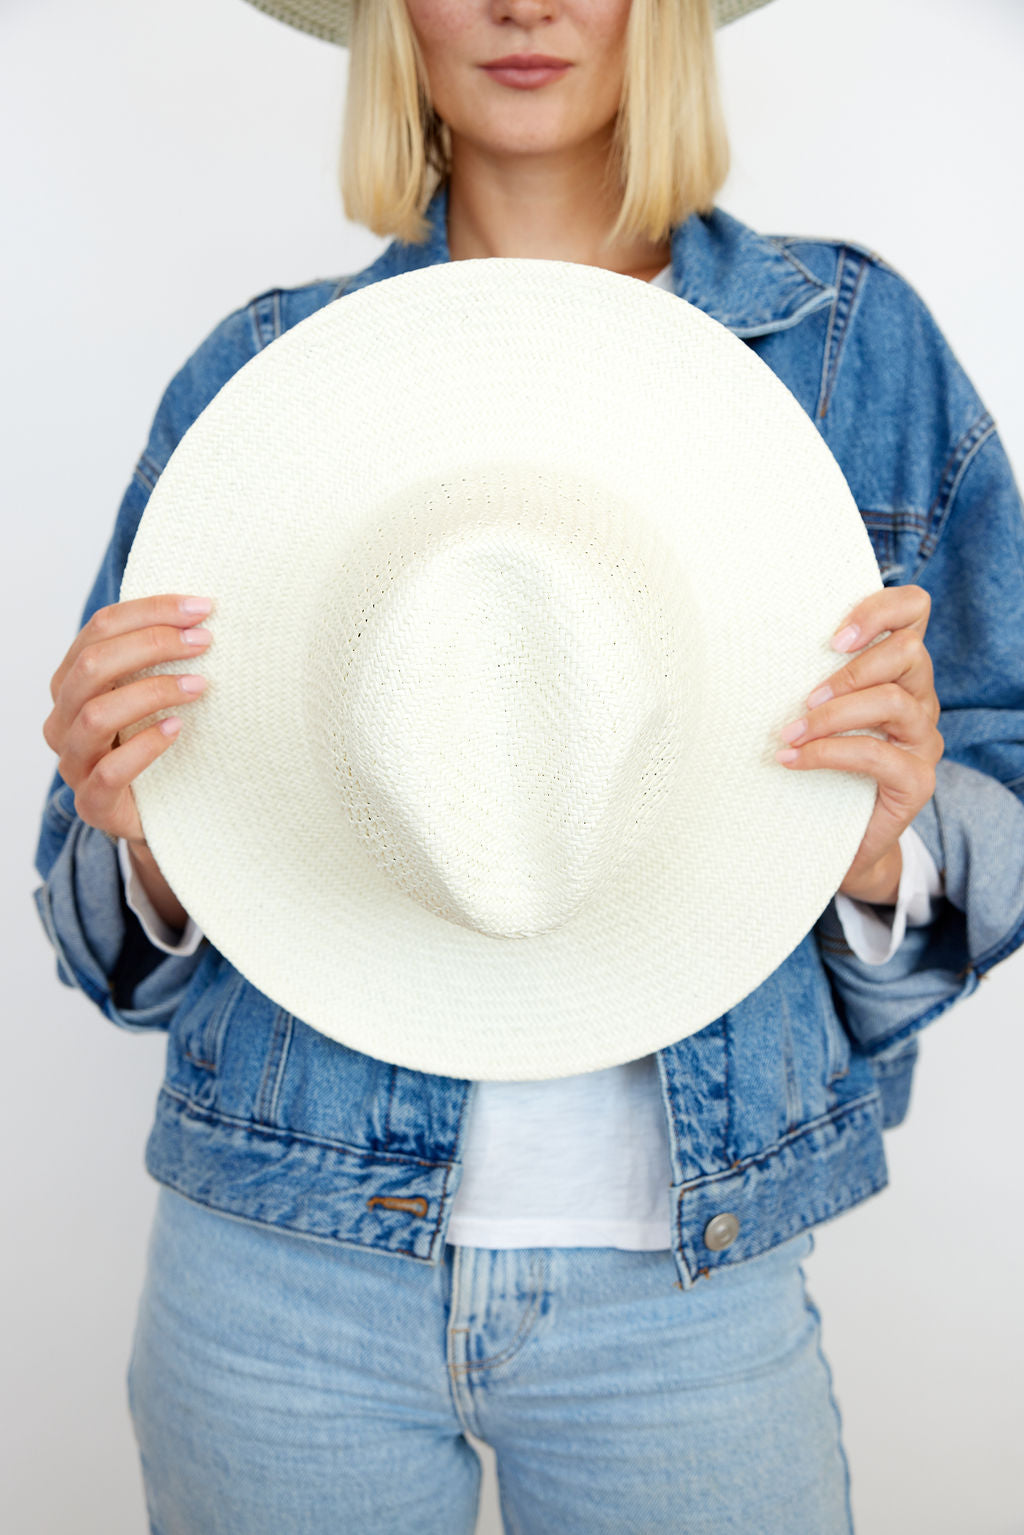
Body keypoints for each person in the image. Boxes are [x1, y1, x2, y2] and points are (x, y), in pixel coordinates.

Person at [33, 1, 1024, 1531]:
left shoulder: (850, 350)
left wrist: (890, 851)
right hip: (278, 1279)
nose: (523, 3)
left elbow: (999, 791)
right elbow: (97, 938)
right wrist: (147, 830)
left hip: (693, 1295)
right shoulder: (265, 379)